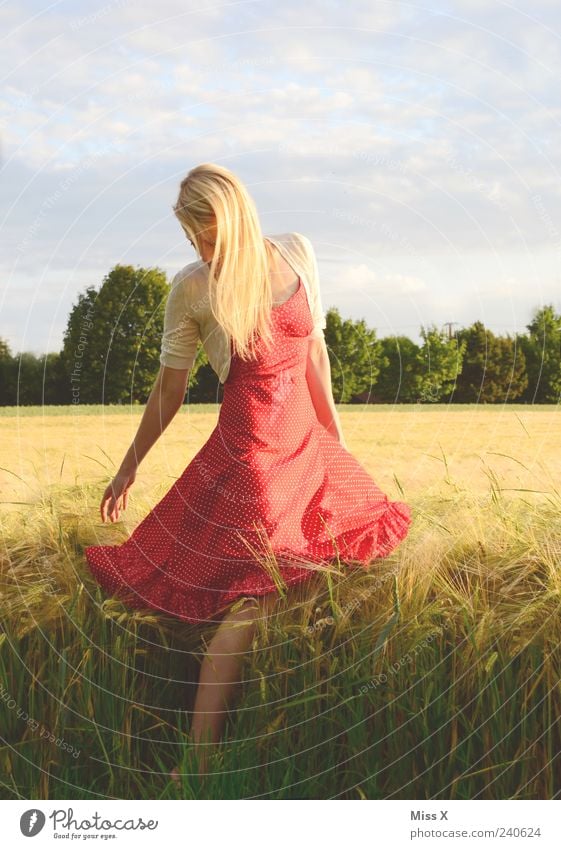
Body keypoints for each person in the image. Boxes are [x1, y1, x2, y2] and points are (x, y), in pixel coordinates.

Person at [84, 162, 412, 784]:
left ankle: (286, 729)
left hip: (305, 446)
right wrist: (128, 466)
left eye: (208, 236)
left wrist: (337, 450)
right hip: (252, 458)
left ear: (234, 217)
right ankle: (196, 764)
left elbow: (314, 353)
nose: (202, 251)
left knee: (341, 559)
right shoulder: (192, 288)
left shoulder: (295, 253)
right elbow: (170, 391)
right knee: (255, 599)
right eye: (192, 241)